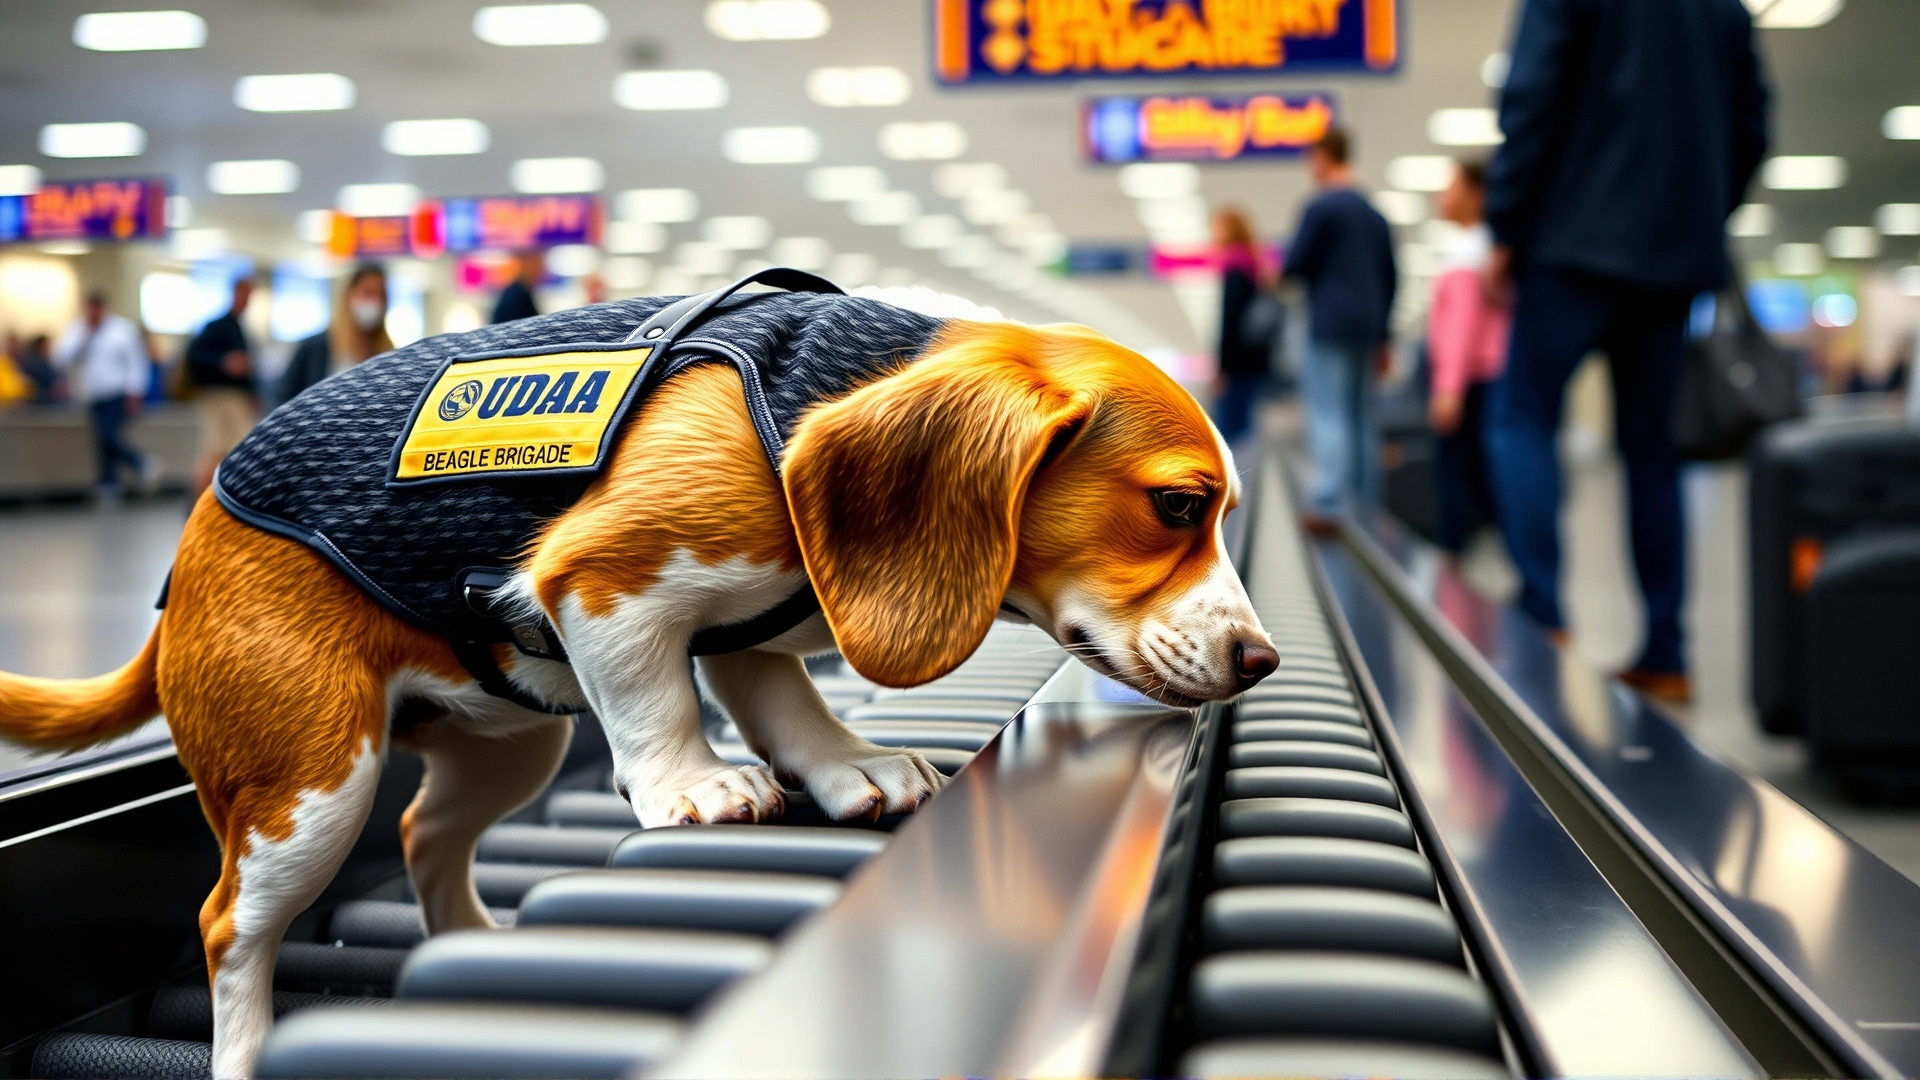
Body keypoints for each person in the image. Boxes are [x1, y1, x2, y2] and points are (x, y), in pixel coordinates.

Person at [1483, 0, 1769, 702]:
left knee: (1523, 415)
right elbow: (1752, 128)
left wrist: (1507, 226)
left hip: (1569, 243)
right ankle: (1668, 655)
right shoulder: (1722, 9)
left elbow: (1531, 99)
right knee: (1652, 449)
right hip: (1672, 257)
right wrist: (1699, 213)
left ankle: (1544, 622)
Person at [1282, 127, 1397, 532]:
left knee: (1328, 413)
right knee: (1360, 415)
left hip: (1329, 321)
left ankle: (1329, 503)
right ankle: (1367, 505)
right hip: (1367, 327)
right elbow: (1390, 276)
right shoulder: (1374, 213)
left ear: (1323, 157)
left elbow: (1294, 266)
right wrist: (1385, 337)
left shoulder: (1322, 207)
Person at [1425, 161, 1509, 557]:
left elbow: (1460, 328)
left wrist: (1448, 389)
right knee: (1489, 473)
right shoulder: (1486, 249)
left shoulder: (1467, 252)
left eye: (1452, 186)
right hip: (1490, 377)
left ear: (1476, 195)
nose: (1443, 195)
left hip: (1471, 380)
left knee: (1460, 476)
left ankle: (1454, 559)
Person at [51, 290, 158, 500]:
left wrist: (135, 390)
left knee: (106, 435)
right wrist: (85, 336)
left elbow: (136, 361)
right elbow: (60, 359)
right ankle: (108, 483)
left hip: (116, 393)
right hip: (91, 395)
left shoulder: (122, 329)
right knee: (101, 440)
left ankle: (140, 462)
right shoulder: (78, 330)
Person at [273, 264, 393, 409]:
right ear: (349, 295)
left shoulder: (390, 354)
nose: (375, 302)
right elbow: (281, 398)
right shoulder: (315, 348)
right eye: (367, 293)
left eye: (381, 296)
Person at [185, 276, 260, 500]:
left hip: (236, 398)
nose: (247, 300)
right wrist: (223, 362)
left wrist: (251, 393)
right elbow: (194, 357)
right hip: (219, 397)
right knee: (215, 451)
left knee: (232, 451)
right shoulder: (217, 326)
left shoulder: (239, 328)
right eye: (244, 294)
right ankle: (197, 506)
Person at [1211, 208, 1279, 444]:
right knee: (1250, 427)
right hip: (1257, 361)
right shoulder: (1257, 265)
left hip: (1237, 365)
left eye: (1217, 227)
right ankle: (1250, 476)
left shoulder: (1234, 267)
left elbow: (1229, 322)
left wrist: (1222, 369)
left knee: (1230, 430)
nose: (1213, 234)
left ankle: (1235, 480)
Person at [490, 251, 541, 324]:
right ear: (526, 265)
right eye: (537, 265)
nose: (539, 271)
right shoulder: (517, 293)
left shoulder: (517, 290)